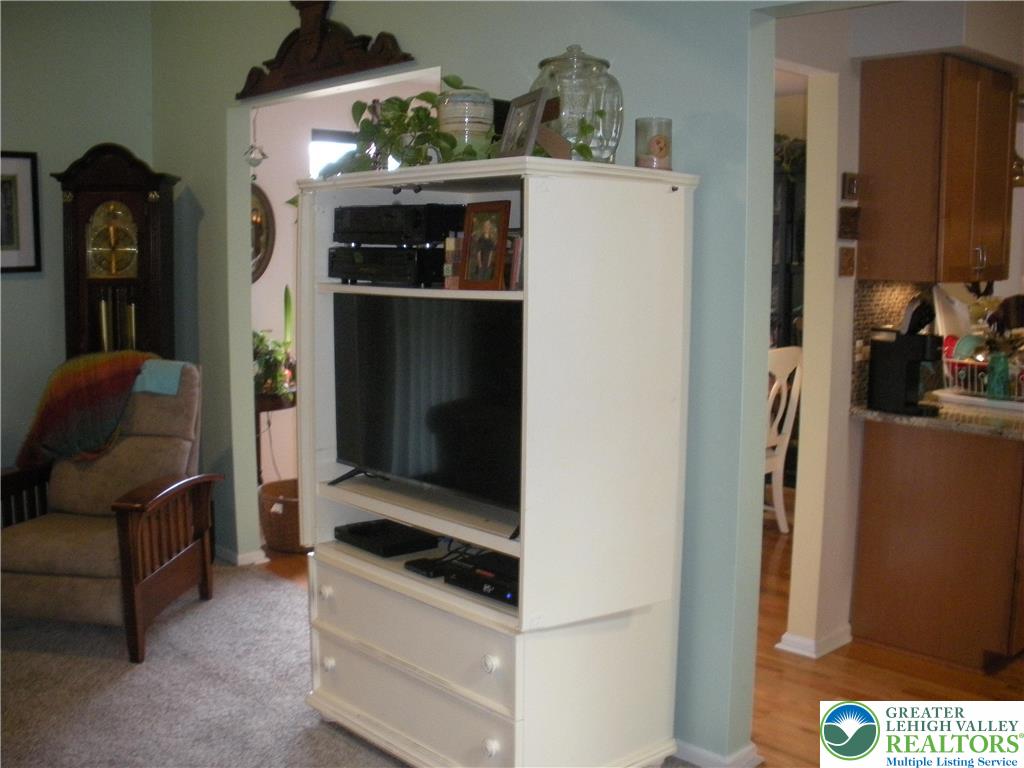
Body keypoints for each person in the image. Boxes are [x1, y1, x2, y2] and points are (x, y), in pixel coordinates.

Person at [467, 216, 497, 281]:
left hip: (488, 264)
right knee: (480, 280)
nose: (487, 226)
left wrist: (489, 264)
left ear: (490, 226)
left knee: (487, 280)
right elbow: (478, 252)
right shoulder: (481, 239)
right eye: (485, 225)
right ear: (483, 226)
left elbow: (491, 252)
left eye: (488, 224)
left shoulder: (492, 240)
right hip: (481, 264)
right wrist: (480, 264)